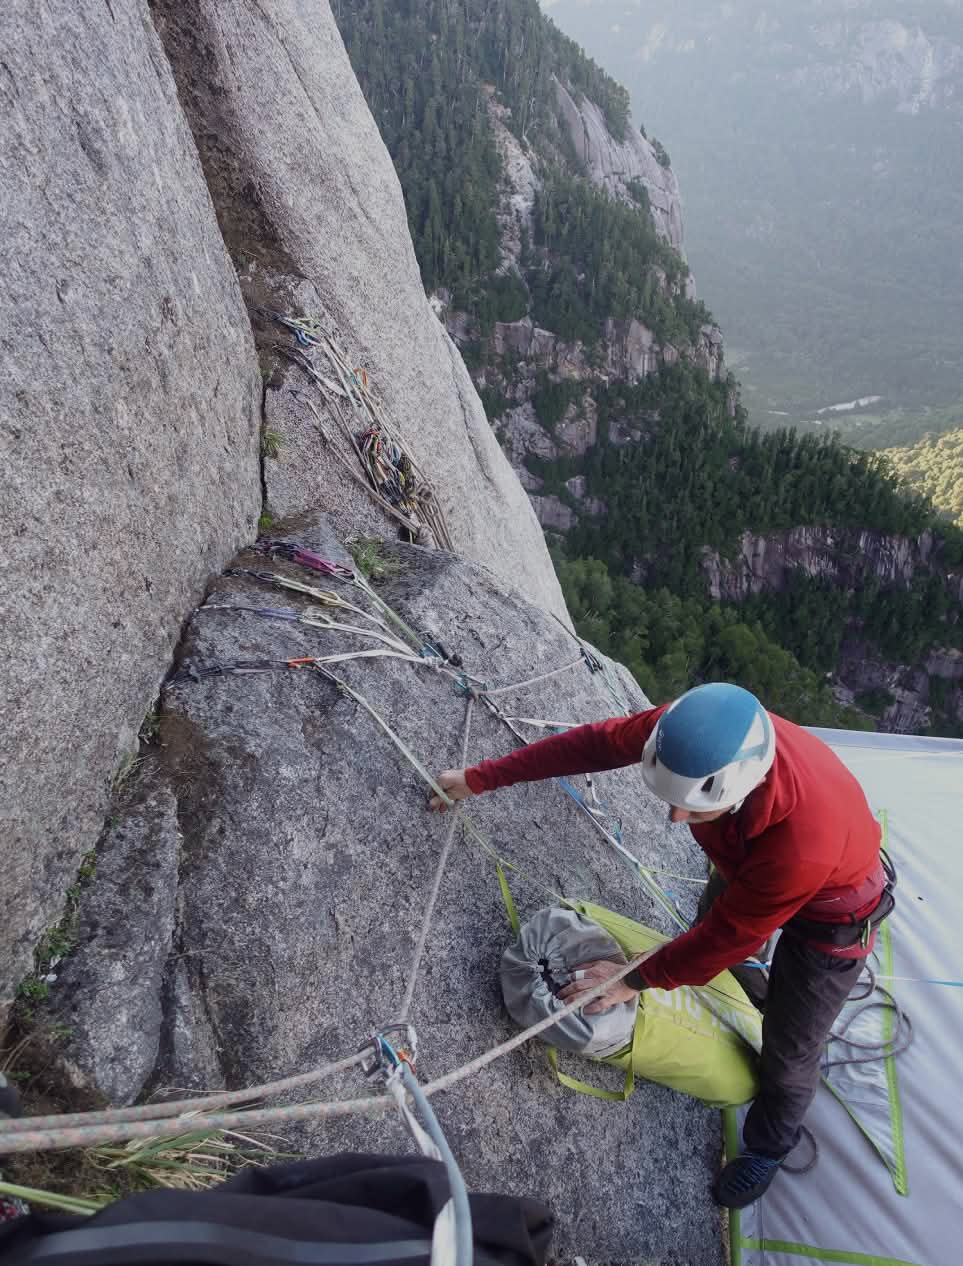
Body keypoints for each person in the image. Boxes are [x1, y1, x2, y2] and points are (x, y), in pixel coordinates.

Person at [429, 682, 894, 1209]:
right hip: (750, 862)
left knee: (788, 1055)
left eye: (692, 810)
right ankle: (749, 987)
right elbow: (595, 744)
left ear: (738, 794)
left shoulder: (799, 849)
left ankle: (770, 1146)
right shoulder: (700, 732)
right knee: (714, 939)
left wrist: (628, 981)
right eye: (674, 802)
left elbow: (725, 938)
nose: (675, 819)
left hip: (833, 920)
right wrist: (481, 778)